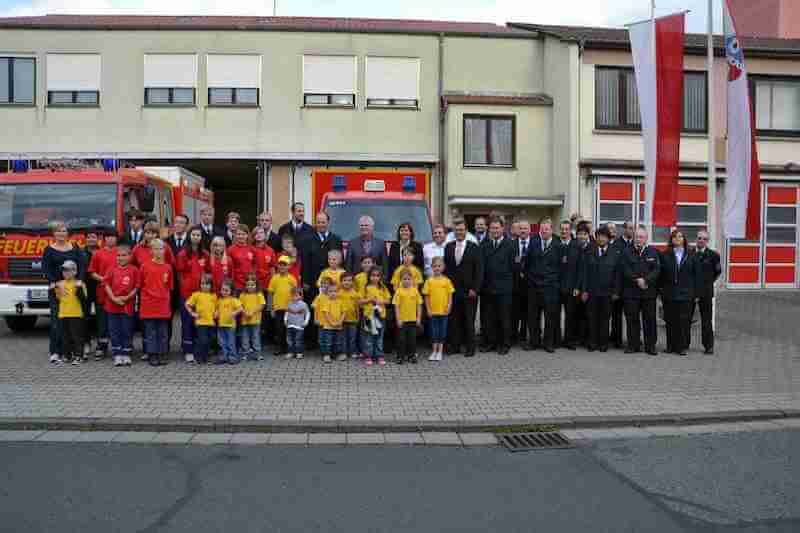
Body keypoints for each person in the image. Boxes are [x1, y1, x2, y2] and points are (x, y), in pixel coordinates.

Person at [43, 220, 85, 363]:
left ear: (67, 233)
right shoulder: (48, 250)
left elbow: (82, 265)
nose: (61, 233)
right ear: (53, 234)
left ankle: (74, 352)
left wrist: (79, 281)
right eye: (58, 231)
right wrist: (56, 285)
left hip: (74, 290)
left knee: (74, 323)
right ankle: (55, 351)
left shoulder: (75, 247)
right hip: (57, 290)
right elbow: (46, 270)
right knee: (57, 321)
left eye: (64, 230)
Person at [445, 217, 483, 357]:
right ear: (454, 232)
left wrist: (475, 289)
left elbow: (479, 270)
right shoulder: (448, 247)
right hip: (453, 291)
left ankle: (470, 347)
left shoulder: (474, 248)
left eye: (461, 230)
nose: (459, 232)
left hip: (469, 291)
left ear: (466, 231)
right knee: (454, 319)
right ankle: (455, 346)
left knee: (469, 320)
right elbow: (447, 269)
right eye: (457, 230)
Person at [621, 227, 661, 356]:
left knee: (649, 319)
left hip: (648, 292)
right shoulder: (626, 252)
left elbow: (657, 270)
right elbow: (625, 269)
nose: (638, 239)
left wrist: (646, 280)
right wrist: (637, 280)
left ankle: (650, 346)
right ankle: (633, 345)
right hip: (631, 292)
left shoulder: (653, 252)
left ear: (646, 239)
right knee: (632, 319)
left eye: (641, 237)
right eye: (637, 237)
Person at [479, 217, 515, 355]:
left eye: (497, 228)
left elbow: (513, 268)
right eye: (492, 228)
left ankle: (504, 344)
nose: (494, 230)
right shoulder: (484, 244)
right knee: (489, 318)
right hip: (488, 288)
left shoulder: (510, 245)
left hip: (504, 289)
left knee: (504, 318)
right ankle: (490, 343)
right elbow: (482, 267)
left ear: (502, 228)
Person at [581, 226, 620, 352]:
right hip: (592, 292)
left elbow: (617, 274)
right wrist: (584, 290)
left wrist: (615, 291)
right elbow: (585, 272)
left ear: (608, 238)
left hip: (607, 293)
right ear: (596, 237)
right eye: (599, 236)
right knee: (592, 318)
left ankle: (603, 343)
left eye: (604, 236)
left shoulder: (614, 252)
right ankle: (592, 343)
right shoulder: (590, 251)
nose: (601, 238)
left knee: (605, 319)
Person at [525, 219, 561, 353]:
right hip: (534, 287)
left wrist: (553, 282)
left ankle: (548, 343)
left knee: (550, 317)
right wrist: (531, 279)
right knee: (533, 317)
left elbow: (560, 267)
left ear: (551, 230)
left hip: (550, 288)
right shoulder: (533, 243)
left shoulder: (558, 245)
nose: (544, 231)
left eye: (546, 229)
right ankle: (534, 342)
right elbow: (527, 263)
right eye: (542, 229)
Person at [659, 229, 697, 356]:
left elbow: (697, 275)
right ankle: (670, 346)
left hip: (686, 294)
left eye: (680, 237)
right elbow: (661, 275)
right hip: (669, 293)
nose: (678, 239)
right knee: (670, 320)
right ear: (671, 240)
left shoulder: (691, 254)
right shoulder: (665, 255)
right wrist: (661, 291)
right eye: (675, 237)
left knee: (684, 321)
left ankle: (682, 346)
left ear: (684, 239)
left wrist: (695, 293)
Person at [175, 226, 209, 362]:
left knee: (199, 321)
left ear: (201, 238)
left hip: (201, 294)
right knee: (187, 322)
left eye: (198, 235)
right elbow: (179, 273)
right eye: (194, 235)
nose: (196, 237)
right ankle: (187, 350)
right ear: (189, 236)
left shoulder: (205, 254)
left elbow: (207, 273)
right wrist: (184, 287)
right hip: (187, 294)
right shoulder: (182, 254)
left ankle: (198, 348)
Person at [139, 239, 173, 366]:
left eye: (161, 249)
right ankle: (152, 354)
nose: (159, 251)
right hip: (149, 305)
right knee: (151, 332)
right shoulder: (144, 266)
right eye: (156, 249)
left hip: (163, 305)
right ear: (151, 251)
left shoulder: (168, 267)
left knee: (163, 332)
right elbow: (141, 284)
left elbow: (169, 287)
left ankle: (162, 353)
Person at [104, 244, 139, 367]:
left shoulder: (134, 270)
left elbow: (136, 287)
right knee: (114, 331)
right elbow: (106, 285)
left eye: (124, 255)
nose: (121, 258)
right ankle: (117, 354)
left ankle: (126, 354)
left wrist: (127, 297)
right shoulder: (111, 268)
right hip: (112, 305)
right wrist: (113, 298)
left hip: (127, 305)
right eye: (118, 255)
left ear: (130, 256)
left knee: (127, 330)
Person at [88, 229, 118, 359]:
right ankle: (101, 347)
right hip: (102, 292)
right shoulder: (98, 254)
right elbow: (92, 271)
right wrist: (103, 279)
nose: (110, 239)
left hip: (118, 292)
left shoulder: (122, 253)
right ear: (104, 239)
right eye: (108, 237)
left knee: (117, 321)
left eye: (113, 237)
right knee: (102, 322)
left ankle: (119, 347)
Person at [692, 230, 722, 354]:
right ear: (696, 239)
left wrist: (707, 283)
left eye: (704, 239)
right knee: (685, 319)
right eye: (699, 238)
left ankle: (708, 346)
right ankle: (684, 344)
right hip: (690, 292)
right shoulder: (689, 253)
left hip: (706, 292)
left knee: (706, 321)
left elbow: (717, 272)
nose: (701, 241)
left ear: (707, 241)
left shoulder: (713, 255)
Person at [55, 260, 88, 365]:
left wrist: (78, 287)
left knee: (77, 337)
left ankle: (79, 356)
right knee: (65, 337)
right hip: (63, 314)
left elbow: (84, 298)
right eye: (64, 271)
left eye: (69, 271)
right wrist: (58, 287)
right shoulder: (60, 284)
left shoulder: (80, 283)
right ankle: (67, 355)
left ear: (75, 272)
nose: (66, 273)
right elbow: (57, 297)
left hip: (76, 314)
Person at [422, 256, 454, 362]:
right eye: (435, 266)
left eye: (439, 266)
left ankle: (440, 351)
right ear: (431, 267)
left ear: (443, 267)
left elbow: (450, 295)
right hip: (433, 312)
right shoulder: (429, 281)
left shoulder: (447, 281)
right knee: (434, 332)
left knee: (442, 332)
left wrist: (449, 306)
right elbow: (426, 296)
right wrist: (428, 309)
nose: (437, 268)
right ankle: (434, 351)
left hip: (443, 311)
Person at [303, 211, 343, 294]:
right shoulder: (308, 240)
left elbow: (341, 261)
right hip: (312, 282)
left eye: (323, 222)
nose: (321, 225)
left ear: (328, 222)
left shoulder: (336, 239)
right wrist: (305, 280)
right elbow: (305, 261)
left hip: (333, 283)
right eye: (318, 222)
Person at [558, 220, 583, 350]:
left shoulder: (576, 245)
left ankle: (569, 341)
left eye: (566, 229)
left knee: (570, 316)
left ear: (570, 230)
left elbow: (580, 269)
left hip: (572, 288)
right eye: (562, 229)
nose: (564, 231)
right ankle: (555, 340)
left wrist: (578, 287)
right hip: (556, 287)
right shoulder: (555, 243)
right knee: (554, 315)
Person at [610, 221, 634, 348]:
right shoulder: (616, 244)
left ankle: (633, 339)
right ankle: (616, 339)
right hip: (619, 286)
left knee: (631, 315)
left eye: (633, 229)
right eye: (630, 228)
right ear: (624, 229)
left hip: (631, 287)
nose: (632, 231)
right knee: (616, 315)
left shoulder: (635, 244)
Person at [360, 267, 390, 366]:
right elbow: (359, 301)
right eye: (373, 275)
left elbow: (388, 301)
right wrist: (369, 300)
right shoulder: (366, 288)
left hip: (381, 316)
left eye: (377, 276)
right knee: (369, 337)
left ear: (380, 277)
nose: (375, 278)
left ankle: (379, 355)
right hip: (369, 316)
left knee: (379, 337)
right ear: (369, 276)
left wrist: (381, 301)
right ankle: (368, 356)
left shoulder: (383, 288)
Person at [251, 225, 277, 341]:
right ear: (254, 236)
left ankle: (266, 336)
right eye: (257, 233)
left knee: (267, 311)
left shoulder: (270, 250)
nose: (259, 235)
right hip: (254, 286)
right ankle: (255, 337)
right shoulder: (251, 249)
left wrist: (273, 284)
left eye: (261, 232)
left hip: (267, 285)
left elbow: (272, 268)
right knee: (255, 310)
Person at [269, 256, 298, 356]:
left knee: (289, 328)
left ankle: (290, 348)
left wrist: (297, 306)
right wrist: (271, 308)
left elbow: (296, 293)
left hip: (290, 308)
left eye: (284, 265)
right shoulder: (274, 278)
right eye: (280, 264)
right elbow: (270, 294)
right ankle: (280, 348)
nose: (282, 267)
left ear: (289, 266)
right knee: (279, 329)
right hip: (278, 308)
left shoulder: (292, 279)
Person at [185, 274, 217, 364]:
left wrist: (216, 312)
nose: (204, 286)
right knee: (203, 340)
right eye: (202, 284)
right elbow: (187, 304)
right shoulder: (197, 295)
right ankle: (198, 357)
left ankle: (206, 357)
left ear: (211, 285)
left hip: (211, 322)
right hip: (201, 322)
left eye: (207, 284)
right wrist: (192, 313)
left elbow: (217, 307)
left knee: (210, 340)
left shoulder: (213, 296)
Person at [392, 270, 423, 365]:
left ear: (412, 280)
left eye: (408, 279)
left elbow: (419, 305)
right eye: (404, 279)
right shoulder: (399, 291)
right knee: (401, 339)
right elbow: (396, 306)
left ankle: (411, 356)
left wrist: (418, 318)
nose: (406, 281)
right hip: (402, 320)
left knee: (412, 339)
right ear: (401, 280)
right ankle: (400, 356)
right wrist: (398, 319)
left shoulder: (415, 290)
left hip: (412, 320)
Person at [512, 220, 531, 345]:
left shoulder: (535, 244)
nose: (523, 231)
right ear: (518, 230)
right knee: (514, 311)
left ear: (529, 230)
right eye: (521, 228)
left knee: (527, 312)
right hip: (515, 284)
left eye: (525, 228)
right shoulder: (511, 244)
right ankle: (513, 336)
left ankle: (523, 336)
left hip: (530, 284)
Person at [238, 273, 266, 361]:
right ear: (245, 285)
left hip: (255, 320)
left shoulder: (259, 294)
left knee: (255, 337)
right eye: (248, 285)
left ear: (256, 285)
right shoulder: (242, 295)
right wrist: (245, 313)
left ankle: (257, 354)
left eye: (252, 285)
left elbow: (262, 305)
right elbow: (239, 306)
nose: (250, 287)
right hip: (245, 320)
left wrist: (252, 312)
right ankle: (245, 353)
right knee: (245, 338)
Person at [215, 279, 243, 364]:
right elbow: (217, 309)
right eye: (223, 290)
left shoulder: (233, 300)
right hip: (221, 324)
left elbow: (241, 308)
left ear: (231, 291)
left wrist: (234, 312)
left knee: (231, 342)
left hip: (230, 325)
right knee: (222, 342)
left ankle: (232, 356)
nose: (224, 292)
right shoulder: (219, 300)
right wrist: (216, 313)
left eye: (227, 290)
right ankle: (224, 355)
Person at [320, 281, 346, 363]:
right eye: (330, 291)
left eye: (335, 291)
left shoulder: (341, 301)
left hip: (339, 326)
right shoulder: (326, 301)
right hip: (328, 326)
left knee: (338, 341)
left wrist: (340, 322)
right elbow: (326, 313)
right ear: (327, 292)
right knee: (328, 342)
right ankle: (327, 355)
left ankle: (337, 354)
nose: (333, 293)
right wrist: (332, 323)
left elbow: (344, 313)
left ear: (338, 292)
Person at [227, 224, 256, 293]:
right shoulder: (230, 250)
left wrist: (252, 280)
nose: (241, 236)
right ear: (235, 235)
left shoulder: (252, 249)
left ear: (247, 235)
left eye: (243, 234)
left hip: (249, 285)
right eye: (239, 234)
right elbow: (228, 268)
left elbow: (255, 266)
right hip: (236, 285)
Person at [285, 287, 311, 359]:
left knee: (298, 340)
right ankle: (291, 352)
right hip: (290, 325)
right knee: (289, 340)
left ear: (300, 296)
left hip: (299, 326)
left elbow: (308, 313)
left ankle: (299, 352)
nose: (294, 297)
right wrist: (285, 320)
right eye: (292, 295)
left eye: (296, 295)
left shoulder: (303, 304)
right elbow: (287, 312)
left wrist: (306, 322)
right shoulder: (289, 303)